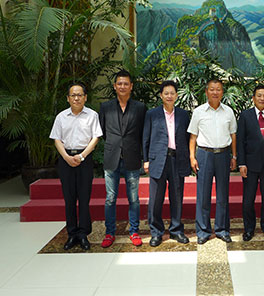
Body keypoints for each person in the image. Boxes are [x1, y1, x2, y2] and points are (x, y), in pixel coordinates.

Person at [49, 83, 102, 251]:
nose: (76, 98)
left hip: (84, 158)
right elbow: (57, 139)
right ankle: (72, 233)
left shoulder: (92, 115)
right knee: (69, 198)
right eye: (73, 95)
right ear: (68, 98)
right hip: (66, 159)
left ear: (85, 97)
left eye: (80, 95)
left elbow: (95, 138)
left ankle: (83, 233)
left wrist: (82, 156)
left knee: (84, 198)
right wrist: (66, 157)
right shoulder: (61, 117)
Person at [99, 70, 147, 248]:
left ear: (131, 86)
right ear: (114, 86)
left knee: (133, 198)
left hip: (132, 157)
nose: (122, 86)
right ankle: (109, 233)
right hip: (111, 157)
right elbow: (102, 131)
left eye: (126, 83)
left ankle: (134, 231)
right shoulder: (105, 107)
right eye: (119, 83)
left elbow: (143, 134)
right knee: (110, 198)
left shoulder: (140, 108)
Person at [188, 79, 237, 244]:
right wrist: (192, 157)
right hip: (204, 155)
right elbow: (193, 136)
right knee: (203, 195)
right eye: (212, 89)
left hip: (223, 155)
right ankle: (203, 231)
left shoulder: (228, 112)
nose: (215, 92)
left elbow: (233, 135)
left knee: (223, 194)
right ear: (206, 92)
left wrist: (234, 156)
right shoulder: (198, 112)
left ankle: (222, 229)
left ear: (222, 92)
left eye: (218, 89)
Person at [142, 80, 191, 247]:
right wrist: (146, 160)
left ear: (176, 95)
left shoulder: (183, 115)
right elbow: (146, 138)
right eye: (166, 93)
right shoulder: (152, 114)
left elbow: (188, 138)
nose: (169, 96)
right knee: (156, 198)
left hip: (177, 159)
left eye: (172, 93)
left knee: (177, 196)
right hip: (158, 160)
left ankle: (176, 230)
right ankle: (156, 232)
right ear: (161, 95)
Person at [236, 84, 264, 242]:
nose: (262, 98)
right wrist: (241, 163)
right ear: (253, 98)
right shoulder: (245, 115)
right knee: (248, 200)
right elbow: (240, 141)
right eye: (259, 95)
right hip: (250, 164)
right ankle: (249, 229)